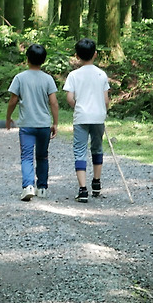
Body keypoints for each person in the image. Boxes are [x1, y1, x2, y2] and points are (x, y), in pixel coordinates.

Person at [5, 43, 59, 200]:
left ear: (27, 59)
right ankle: (42, 187)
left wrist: (8, 117)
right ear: (43, 60)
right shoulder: (48, 79)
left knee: (27, 156)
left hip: (27, 125)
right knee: (42, 156)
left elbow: (13, 101)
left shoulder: (20, 78)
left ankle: (28, 186)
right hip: (43, 125)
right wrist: (55, 123)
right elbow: (54, 102)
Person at [63, 37, 110, 202]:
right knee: (97, 148)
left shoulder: (74, 75)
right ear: (95, 54)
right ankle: (96, 183)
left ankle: (83, 190)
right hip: (98, 117)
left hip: (81, 116)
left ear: (77, 56)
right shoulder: (101, 74)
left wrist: (78, 106)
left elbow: (70, 98)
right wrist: (103, 110)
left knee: (80, 150)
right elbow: (105, 100)